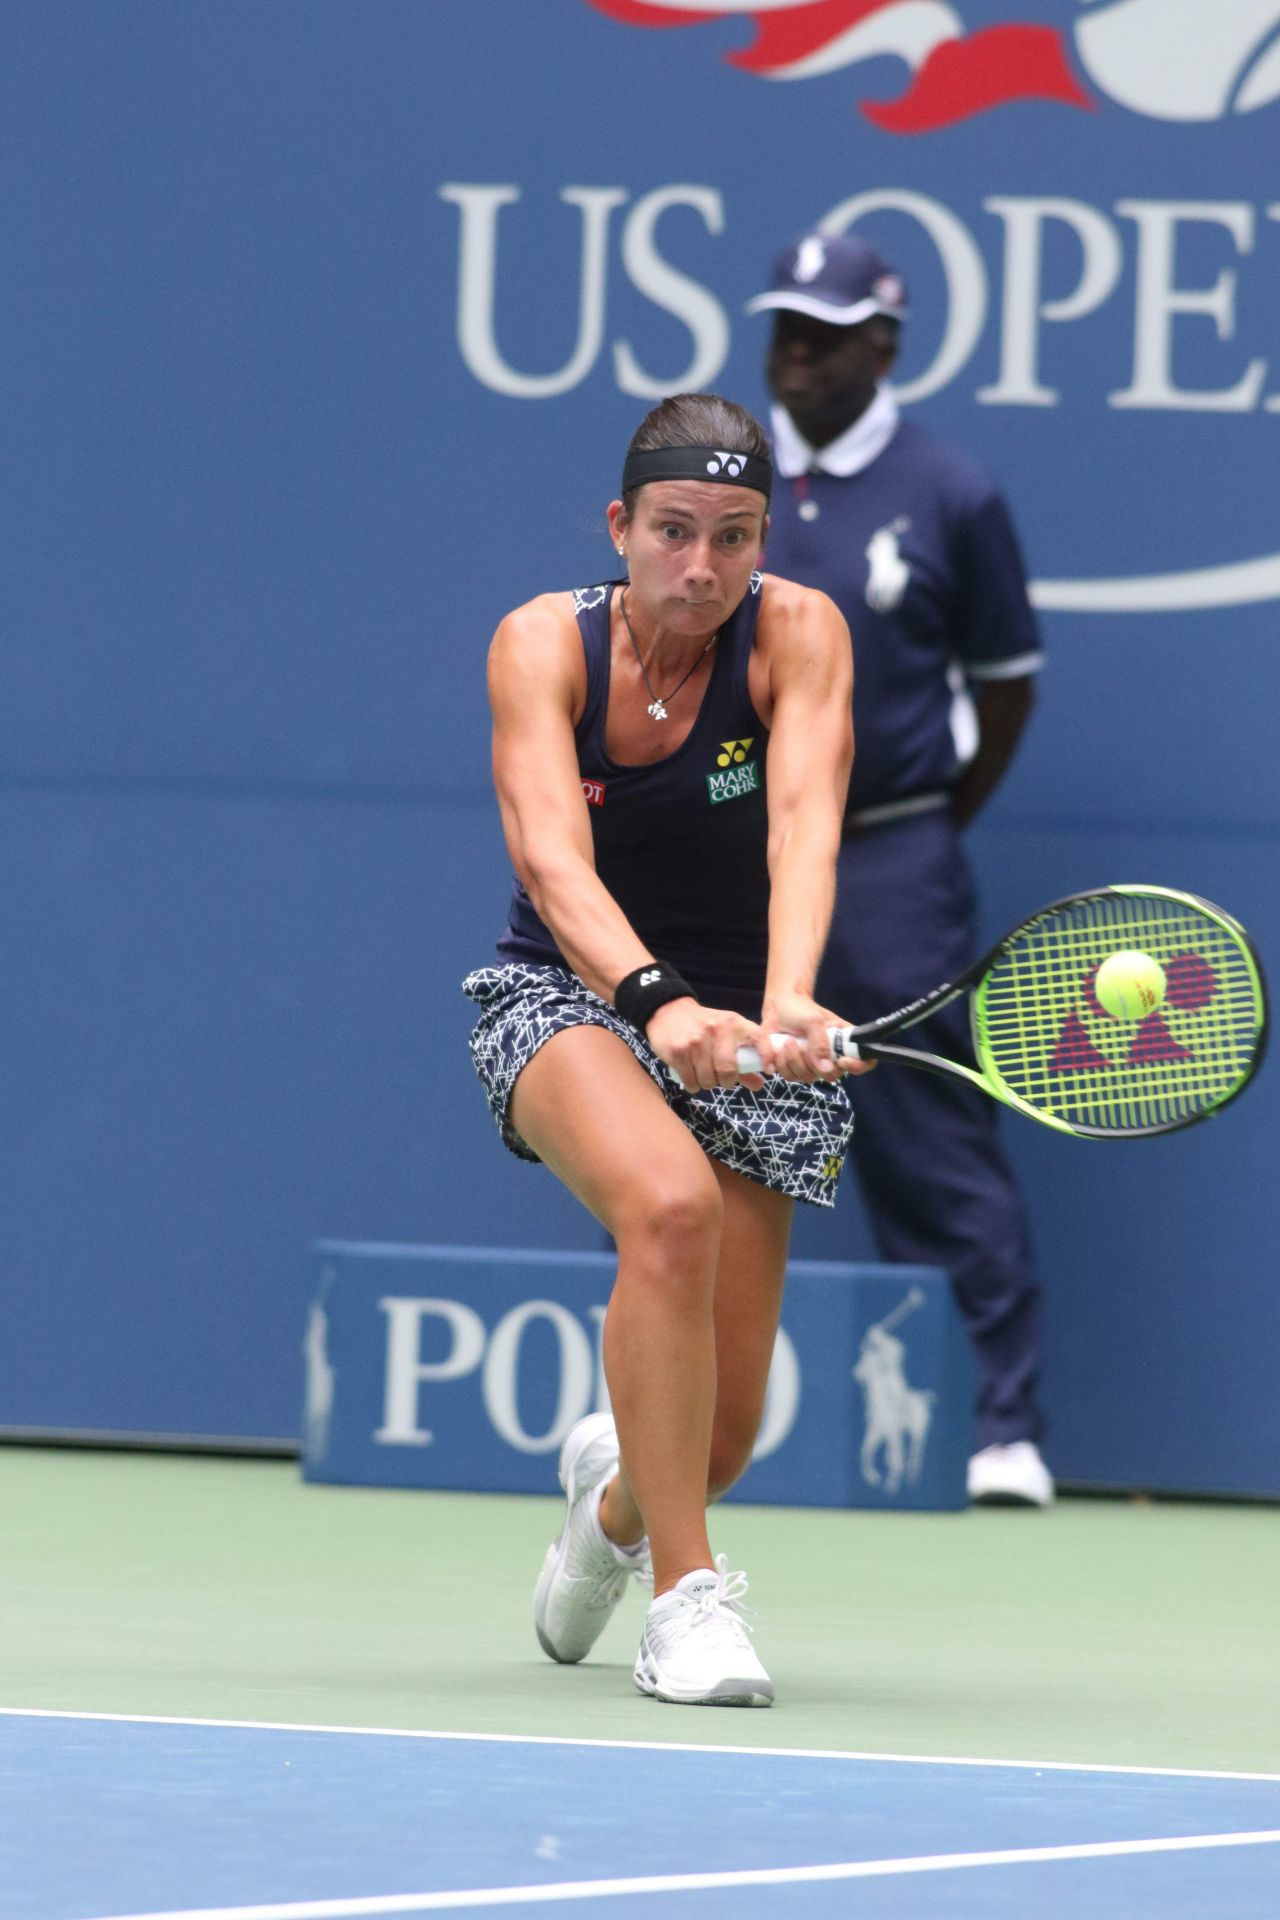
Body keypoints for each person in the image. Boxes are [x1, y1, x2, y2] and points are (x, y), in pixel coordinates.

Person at [462, 392, 874, 1707]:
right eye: (675, 532)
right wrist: (654, 1001)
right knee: (669, 1206)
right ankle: (685, 1609)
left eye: (736, 536)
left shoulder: (799, 633)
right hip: (569, 998)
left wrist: (794, 997)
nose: (703, 567)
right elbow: (547, 852)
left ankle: (618, 1511)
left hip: (745, 1022)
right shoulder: (543, 643)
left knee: (722, 1438)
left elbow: (804, 818)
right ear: (620, 526)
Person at [747, 232, 1054, 1508]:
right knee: (688, 1126)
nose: (797, 355)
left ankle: (1001, 1430)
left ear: (885, 346)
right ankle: (677, 1412)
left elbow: (1004, 687)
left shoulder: (952, 491)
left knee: (933, 1139)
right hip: (726, 861)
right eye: (783, 329)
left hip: (889, 860)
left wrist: (911, 814)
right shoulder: (725, 479)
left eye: (825, 333)